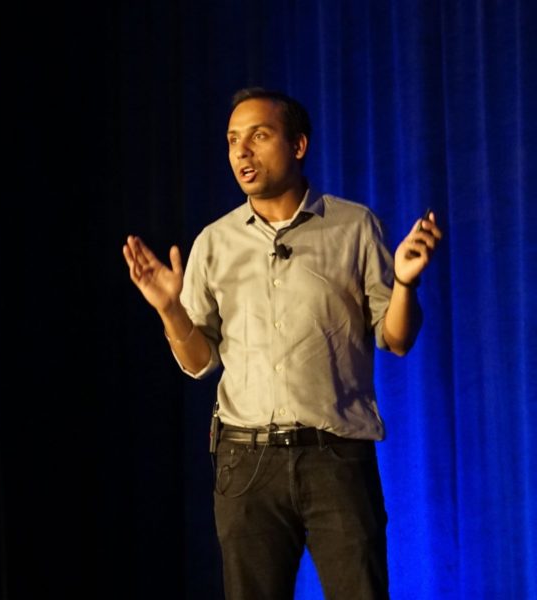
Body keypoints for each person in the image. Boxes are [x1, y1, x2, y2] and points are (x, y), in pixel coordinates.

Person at [121, 87, 442, 599]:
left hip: (335, 458)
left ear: (298, 146)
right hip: (245, 463)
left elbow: (396, 339)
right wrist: (169, 308)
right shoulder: (214, 242)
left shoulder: (354, 226)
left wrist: (404, 283)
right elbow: (199, 362)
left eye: (259, 136)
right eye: (232, 141)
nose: (242, 152)